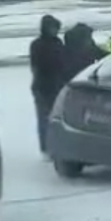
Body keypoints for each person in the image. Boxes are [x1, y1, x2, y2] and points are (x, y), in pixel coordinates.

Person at [29, 15, 65, 159]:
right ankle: (45, 148)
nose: (55, 31)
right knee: (44, 119)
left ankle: (57, 146)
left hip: (57, 85)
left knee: (56, 118)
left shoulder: (58, 42)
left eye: (56, 28)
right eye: (52, 28)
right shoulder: (37, 44)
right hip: (42, 86)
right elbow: (37, 66)